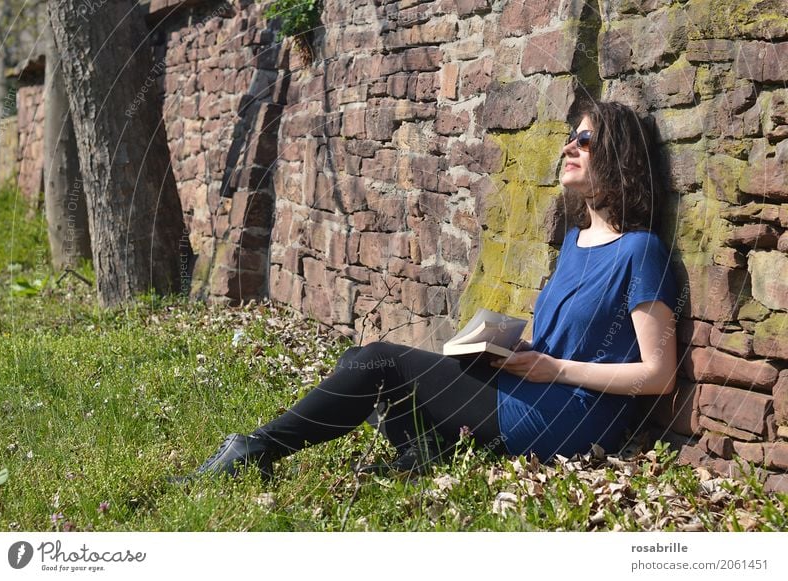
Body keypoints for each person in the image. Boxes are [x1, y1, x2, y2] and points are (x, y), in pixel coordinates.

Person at [174, 100, 678, 483]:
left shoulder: (641, 250)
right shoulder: (574, 242)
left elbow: (659, 375)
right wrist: (517, 352)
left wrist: (556, 369)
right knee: (368, 364)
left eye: (585, 140)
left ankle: (252, 451)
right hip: (535, 389)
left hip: (567, 418)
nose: (569, 146)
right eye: (571, 136)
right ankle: (425, 452)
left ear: (617, 156)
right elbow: (560, 344)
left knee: (379, 362)